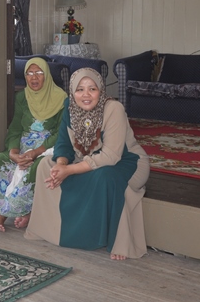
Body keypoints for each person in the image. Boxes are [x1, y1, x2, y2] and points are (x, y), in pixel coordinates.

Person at [24, 68, 150, 260]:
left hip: (127, 163)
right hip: (85, 160)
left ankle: (118, 241)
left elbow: (110, 156)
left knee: (105, 176)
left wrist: (69, 170)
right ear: (72, 92)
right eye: (80, 89)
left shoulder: (113, 109)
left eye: (92, 89)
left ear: (101, 90)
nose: (86, 95)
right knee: (45, 166)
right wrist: (61, 164)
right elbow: (63, 144)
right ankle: (49, 230)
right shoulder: (69, 107)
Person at [0, 57, 66, 232]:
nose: (34, 77)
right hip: (24, 147)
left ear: (47, 75)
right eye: (29, 73)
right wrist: (13, 152)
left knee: (33, 168)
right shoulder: (22, 97)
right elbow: (15, 128)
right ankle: (4, 209)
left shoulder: (61, 98)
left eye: (39, 72)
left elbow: (60, 133)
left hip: (46, 148)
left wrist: (36, 152)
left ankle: (25, 211)